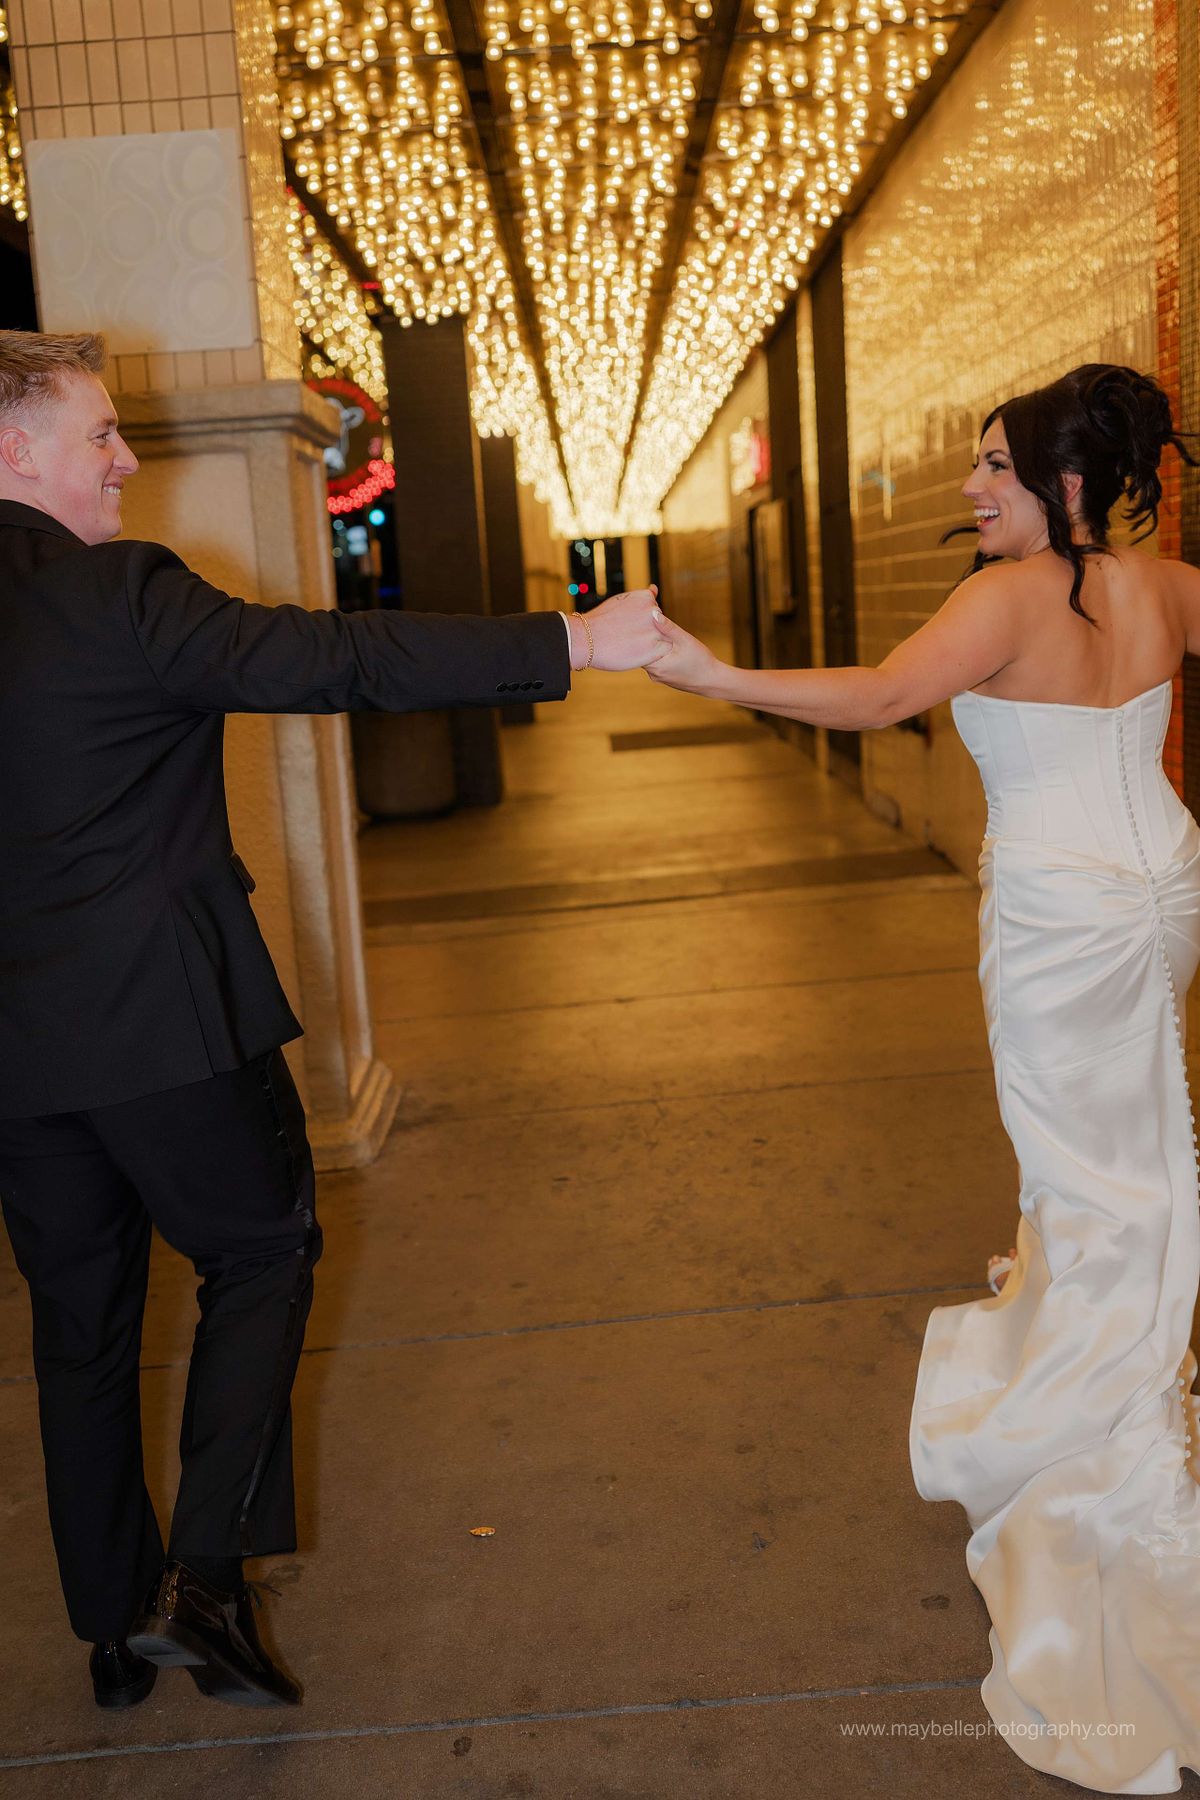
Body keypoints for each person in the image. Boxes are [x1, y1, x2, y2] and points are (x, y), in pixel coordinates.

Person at [0, 330, 667, 1713]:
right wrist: (572, 640)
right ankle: (202, 1580)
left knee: (79, 1328)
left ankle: (114, 1635)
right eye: (101, 434)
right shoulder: (117, 596)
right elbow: (336, 658)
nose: (127, 459)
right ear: (13, 452)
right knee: (262, 1248)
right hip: (168, 1026)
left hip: (19, 1057)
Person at [646, 363, 1200, 1792]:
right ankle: (1134, 1348)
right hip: (1162, 886)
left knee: (1089, 1176)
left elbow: (882, 695)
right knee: (1142, 1152)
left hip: (1066, 912)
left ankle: (1116, 1437)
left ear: (1069, 483)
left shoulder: (1010, 600)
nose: (972, 488)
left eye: (996, 469)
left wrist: (707, 671)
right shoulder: (1168, 585)